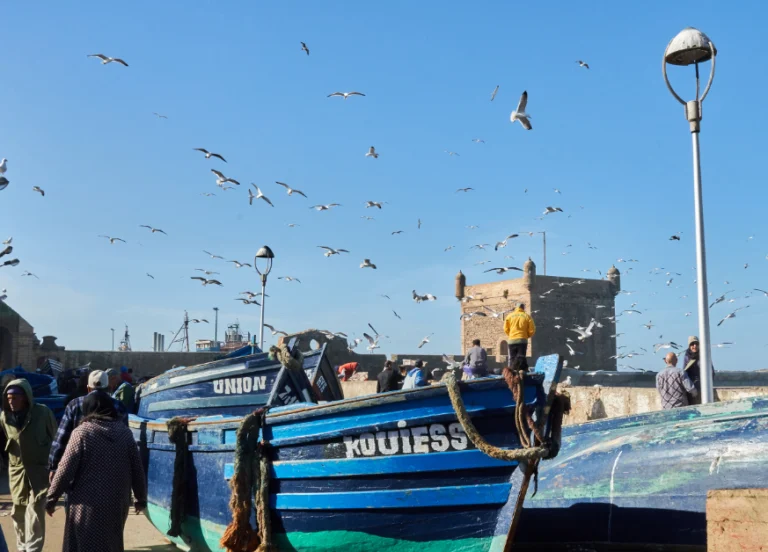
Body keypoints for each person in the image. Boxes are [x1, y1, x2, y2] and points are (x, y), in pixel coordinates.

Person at [46, 390, 148, 551]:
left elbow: (65, 469)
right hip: (117, 503)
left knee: (83, 544)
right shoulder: (125, 433)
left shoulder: (82, 432)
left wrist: (51, 498)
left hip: (86, 504)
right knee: (111, 543)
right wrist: (141, 498)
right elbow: (137, 469)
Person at [0, 379, 57, 552]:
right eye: (8, 397)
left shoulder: (43, 413)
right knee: (18, 511)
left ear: (25, 397)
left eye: (15, 397)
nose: (11, 401)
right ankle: (22, 546)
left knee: (36, 509)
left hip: (39, 471)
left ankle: (33, 549)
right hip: (17, 471)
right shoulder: (4, 417)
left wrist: (55, 466)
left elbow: (56, 439)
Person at [48, 370, 128, 481]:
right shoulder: (119, 407)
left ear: (88, 388)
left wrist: (54, 467)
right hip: (109, 469)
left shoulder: (74, 405)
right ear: (108, 387)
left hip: (78, 468)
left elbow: (61, 439)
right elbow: (125, 440)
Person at [503, 302, 536, 371]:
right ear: (523, 308)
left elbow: (505, 329)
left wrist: (511, 335)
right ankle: (521, 373)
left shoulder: (509, 316)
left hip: (511, 340)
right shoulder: (527, 316)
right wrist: (526, 336)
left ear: (516, 308)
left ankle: (512, 373)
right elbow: (532, 330)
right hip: (522, 340)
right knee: (521, 357)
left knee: (512, 358)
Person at [682, 336, 708, 404]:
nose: (695, 346)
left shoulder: (704, 355)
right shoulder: (687, 357)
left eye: (696, 344)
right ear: (689, 346)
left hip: (702, 387)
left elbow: (710, 372)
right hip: (690, 389)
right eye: (692, 344)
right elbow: (684, 373)